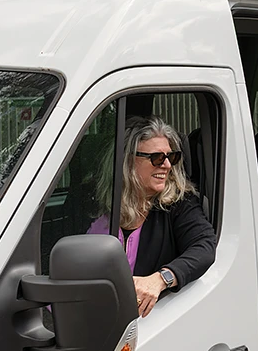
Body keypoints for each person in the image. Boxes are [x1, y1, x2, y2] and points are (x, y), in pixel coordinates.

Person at [89, 116, 216, 317]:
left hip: (148, 325)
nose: (166, 165)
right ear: (127, 160)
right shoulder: (94, 202)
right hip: (91, 315)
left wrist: (160, 279)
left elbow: (204, 247)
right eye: (157, 158)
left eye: (171, 157)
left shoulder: (179, 204)